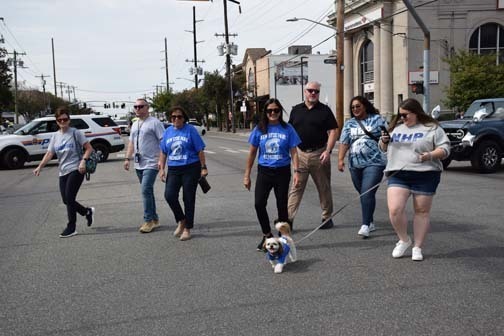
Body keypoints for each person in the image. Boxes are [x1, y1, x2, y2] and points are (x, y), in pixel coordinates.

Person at [379, 98, 450, 261]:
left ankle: (417, 247)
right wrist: (384, 141)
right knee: (395, 209)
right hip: (398, 174)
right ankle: (404, 240)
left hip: (425, 174)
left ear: (416, 113)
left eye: (405, 115)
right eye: (400, 115)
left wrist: (430, 155)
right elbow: (382, 148)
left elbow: (445, 149)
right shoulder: (396, 129)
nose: (402, 118)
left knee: (421, 211)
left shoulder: (432, 128)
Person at [243, 98, 301, 251]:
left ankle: (283, 238)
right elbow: (252, 153)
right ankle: (267, 235)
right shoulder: (260, 129)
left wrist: (297, 171)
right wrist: (247, 175)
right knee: (259, 203)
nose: (273, 113)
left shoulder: (287, 129)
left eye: (276, 110)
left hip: (282, 172)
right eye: (269, 111)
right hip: (264, 171)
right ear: (265, 112)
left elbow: (294, 152)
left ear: (280, 111)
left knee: (282, 205)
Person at [33, 107, 95, 238]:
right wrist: (40, 166)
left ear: (69, 120)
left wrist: (83, 161)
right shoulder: (55, 136)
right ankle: (86, 212)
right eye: (60, 120)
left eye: (65, 119)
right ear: (57, 121)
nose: (62, 121)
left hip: (77, 169)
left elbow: (89, 149)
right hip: (63, 171)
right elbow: (50, 153)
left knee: (70, 198)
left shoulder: (75, 133)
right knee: (66, 200)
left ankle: (71, 227)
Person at [287, 81, 339, 229]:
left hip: (319, 154)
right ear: (305, 92)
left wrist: (328, 151)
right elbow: (290, 131)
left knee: (324, 187)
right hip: (300, 155)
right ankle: (288, 220)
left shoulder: (325, 110)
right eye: (310, 91)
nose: (313, 94)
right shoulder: (296, 110)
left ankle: (326, 217)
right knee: (296, 187)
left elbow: (334, 131)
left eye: (316, 91)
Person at [338, 96, 387, 238]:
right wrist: (340, 159)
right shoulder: (349, 123)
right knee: (364, 194)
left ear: (365, 106)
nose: (355, 109)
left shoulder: (377, 119)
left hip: (375, 162)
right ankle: (370, 221)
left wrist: (385, 140)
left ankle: (365, 225)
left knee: (366, 192)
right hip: (355, 164)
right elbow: (344, 142)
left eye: (358, 106)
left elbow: (387, 136)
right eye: (353, 107)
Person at [159, 106, 208, 241]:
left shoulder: (190, 130)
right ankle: (181, 220)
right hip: (174, 169)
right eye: (173, 117)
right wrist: (162, 168)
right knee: (169, 195)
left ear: (184, 118)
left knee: (188, 198)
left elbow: (200, 150)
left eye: (179, 116)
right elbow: (163, 151)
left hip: (190, 168)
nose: (176, 119)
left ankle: (187, 228)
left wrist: (203, 167)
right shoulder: (168, 131)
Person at [124, 98, 165, 234]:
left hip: (151, 163)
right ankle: (154, 219)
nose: (137, 109)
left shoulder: (155, 123)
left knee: (145, 190)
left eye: (141, 106)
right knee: (148, 191)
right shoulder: (135, 124)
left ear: (147, 108)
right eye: (135, 107)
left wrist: (161, 161)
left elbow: (163, 143)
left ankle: (148, 221)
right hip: (138, 163)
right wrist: (127, 158)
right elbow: (131, 142)